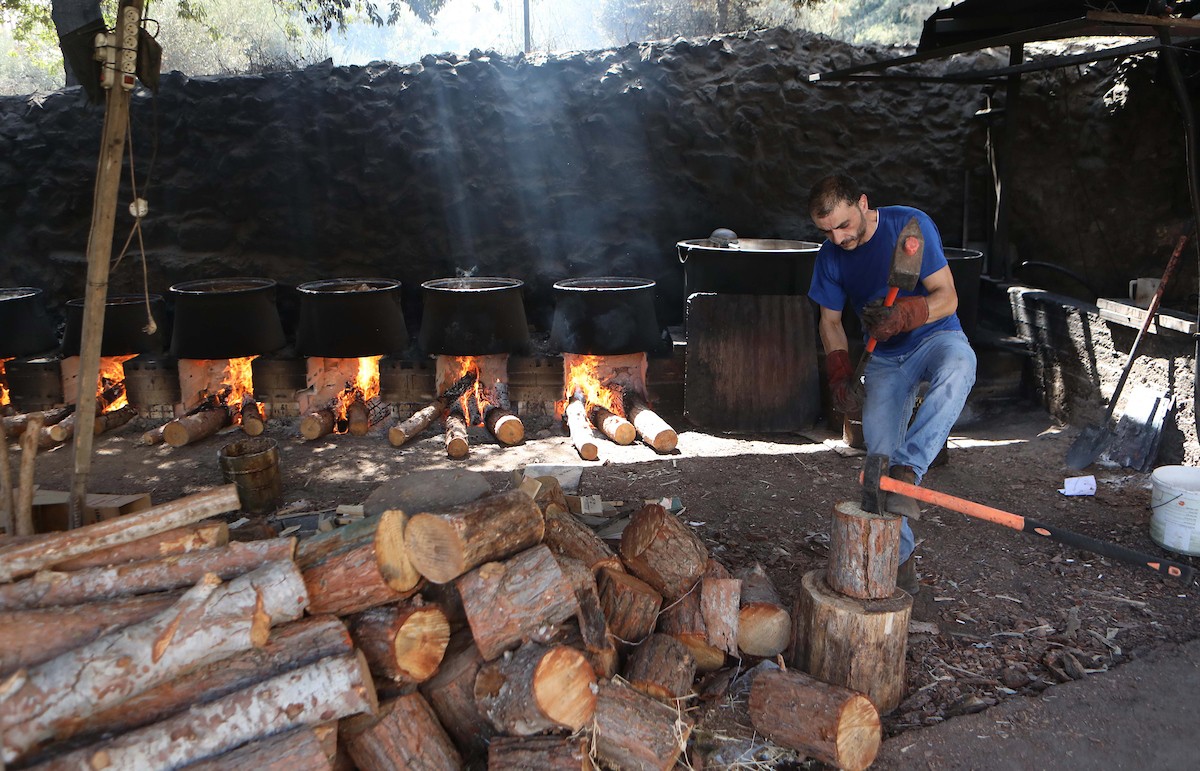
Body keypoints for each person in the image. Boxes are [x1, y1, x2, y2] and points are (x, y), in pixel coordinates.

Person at [806, 172, 977, 594]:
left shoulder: (910, 226)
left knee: (961, 365)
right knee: (875, 466)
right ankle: (899, 560)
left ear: (863, 204)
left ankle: (911, 467)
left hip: (935, 337)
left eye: (844, 224)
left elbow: (948, 297)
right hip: (883, 358)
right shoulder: (830, 256)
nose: (839, 237)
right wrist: (841, 371)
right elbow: (829, 323)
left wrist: (905, 315)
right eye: (827, 231)